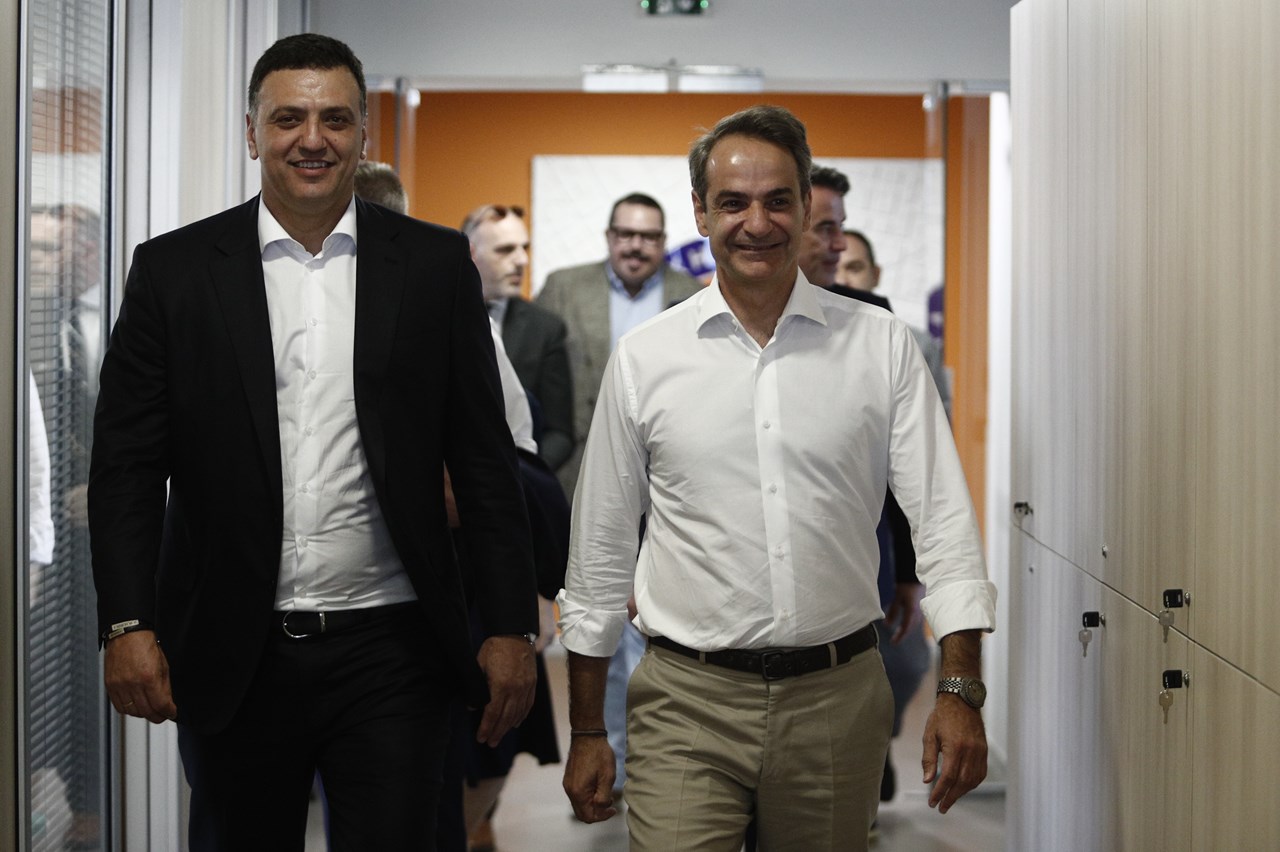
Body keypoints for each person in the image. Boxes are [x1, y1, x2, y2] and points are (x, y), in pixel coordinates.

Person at [89, 34, 538, 852]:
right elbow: (126, 468)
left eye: (335, 119)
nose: (312, 138)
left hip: (394, 649)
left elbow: (483, 459)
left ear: (363, 134)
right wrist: (126, 624)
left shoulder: (434, 266)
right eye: (288, 118)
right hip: (234, 649)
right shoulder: (174, 272)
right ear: (252, 132)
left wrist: (511, 626)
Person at [557, 104, 996, 851]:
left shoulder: (882, 347)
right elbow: (598, 555)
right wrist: (590, 729)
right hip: (685, 704)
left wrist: (959, 689)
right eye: (733, 202)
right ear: (701, 212)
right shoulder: (645, 359)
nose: (756, 223)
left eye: (777, 200)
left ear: (805, 206)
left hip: (837, 701)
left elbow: (946, 527)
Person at [536, 192, 702, 794]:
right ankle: (608, 759)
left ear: (664, 242)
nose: (636, 245)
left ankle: (658, 763)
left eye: (649, 236)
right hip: (581, 480)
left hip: (668, 489)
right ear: (609, 237)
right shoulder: (563, 288)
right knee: (596, 620)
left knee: (661, 629)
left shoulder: (692, 292)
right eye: (626, 234)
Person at [462, 204, 574, 471]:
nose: (522, 260)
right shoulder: (432, 315)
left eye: (524, 248)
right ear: (470, 253)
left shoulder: (545, 328)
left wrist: (523, 477)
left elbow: (560, 433)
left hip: (518, 478)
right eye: (505, 250)